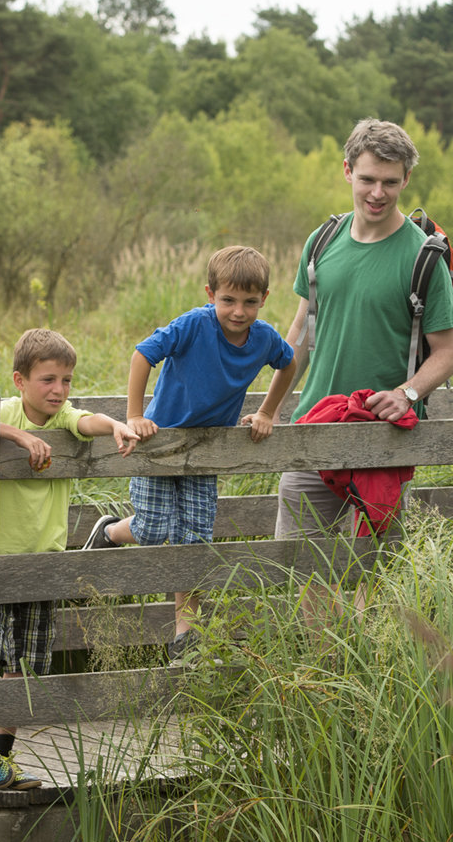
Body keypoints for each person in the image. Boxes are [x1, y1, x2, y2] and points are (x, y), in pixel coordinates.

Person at [79, 246, 295, 662]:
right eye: (228, 300)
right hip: (160, 442)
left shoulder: (264, 337)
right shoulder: (194, 326)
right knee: (154, 530)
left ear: (264, 300)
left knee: (196, 539)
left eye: (250, 302)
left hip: (207, 450)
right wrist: (135, 416)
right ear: (211, 294)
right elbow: (142, 354)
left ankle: (186, 631)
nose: (238, 311)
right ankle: (109, 531)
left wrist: (267, 411)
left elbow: (289, 364)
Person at [257, 119, 453, 549]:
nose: (377, 193)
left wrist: (406, 394)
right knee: (299, 566)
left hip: (384, 438)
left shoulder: (424, 257)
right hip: (312, 426)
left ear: (406, 178)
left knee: (370, 574)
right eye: (367, 179)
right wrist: (271, 407)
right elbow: (301, 331)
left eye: (390, 182)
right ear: (347, 170)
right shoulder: (322, 242)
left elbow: (448, 353)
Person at [0, 328, 140, 789]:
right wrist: (20, 437)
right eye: (47, 380)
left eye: (67, 380)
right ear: (20, 380)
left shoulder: (64, 419)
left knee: (26, 666)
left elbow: (86, 420)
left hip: (45, 562)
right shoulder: (5, 411)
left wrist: (115, 424)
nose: (58, 390)